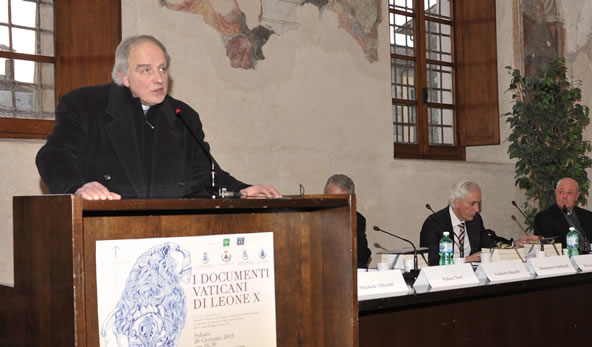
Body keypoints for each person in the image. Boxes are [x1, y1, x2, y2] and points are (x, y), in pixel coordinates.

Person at [36, 35, 280, 200]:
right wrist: (78, 186)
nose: (159, 78)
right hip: (105, 232)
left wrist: (243, 190)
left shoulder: (182, 115)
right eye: (146, 70)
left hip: (167, 231)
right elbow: (53, 156)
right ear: (123, 76)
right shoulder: (85, 105)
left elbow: (204, 174)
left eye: (163, 69)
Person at [420, 180, 537, 266]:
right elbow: (431, 261)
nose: (477, 209)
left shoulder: (475, 220)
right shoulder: (434, 224)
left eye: (479, 203)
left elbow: (489, 244)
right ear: (457, 203)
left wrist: (513, 245)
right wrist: (466, 260)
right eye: (473, 204)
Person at [533, 177, 592, 251]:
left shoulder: (588, 216)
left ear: (576, 196)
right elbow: (549, 248)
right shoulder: (544, 217)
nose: (564, 196)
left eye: (569, 193)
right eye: (561, 192)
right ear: (555, 193)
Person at [323, 174, 371, 268]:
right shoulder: (311, 216)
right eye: (332, 198)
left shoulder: (357, 219)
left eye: (341, 200)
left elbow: (362, 254)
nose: (335, 204)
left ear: (350, 200)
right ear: (324, 194)